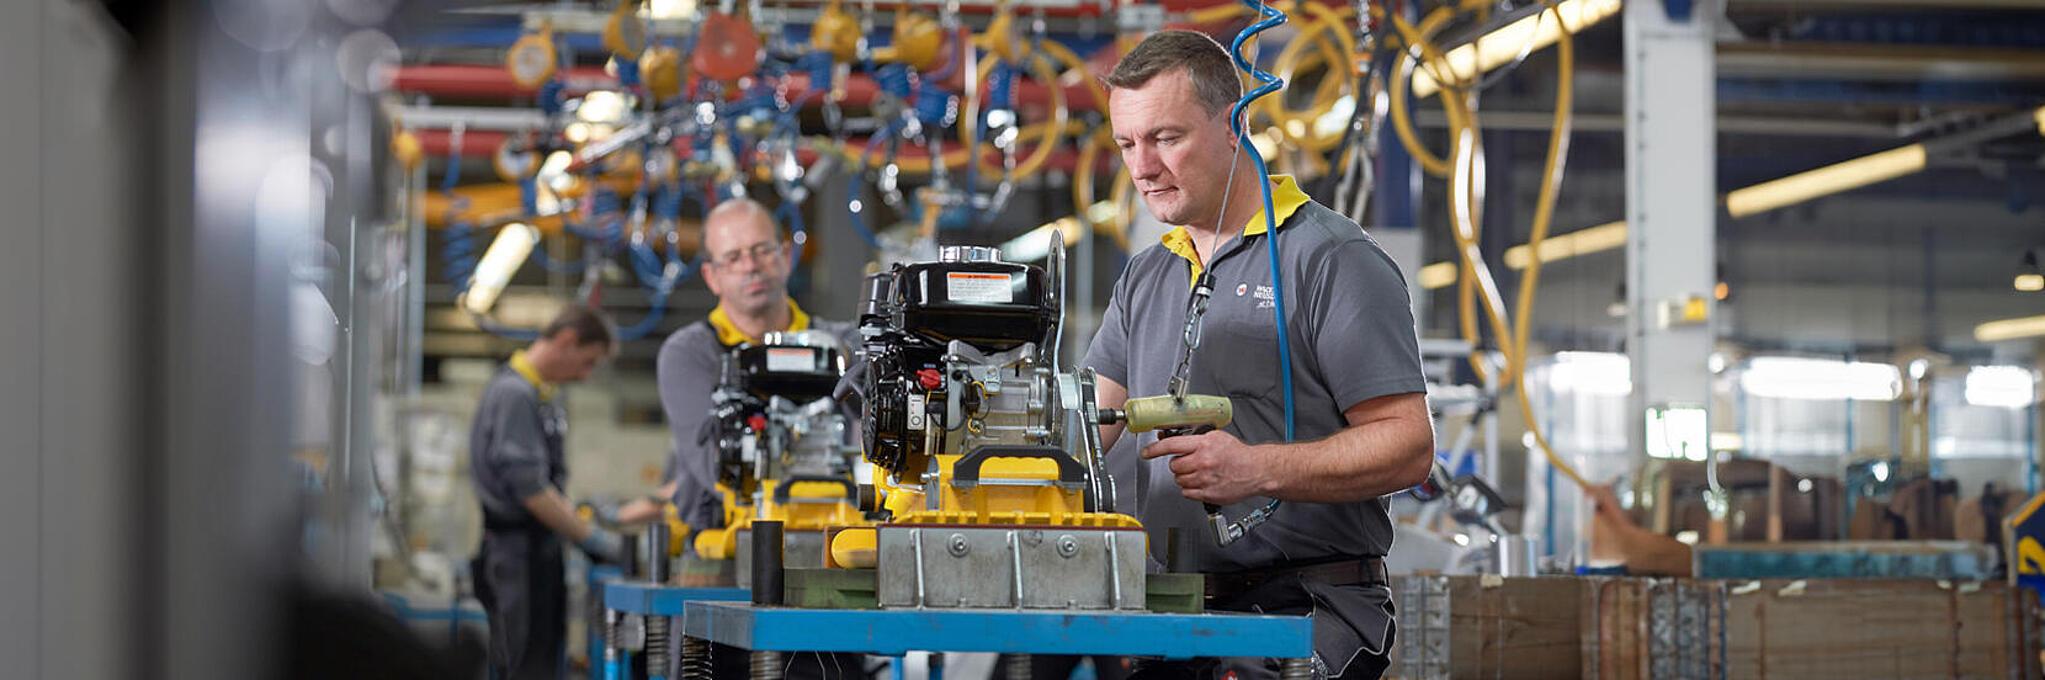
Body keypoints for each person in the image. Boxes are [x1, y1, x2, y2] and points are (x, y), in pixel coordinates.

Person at [1085, 30, 1436, 679]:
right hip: (1172, 609)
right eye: (1127, 144)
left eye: (1165, 138)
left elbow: (1407, 445)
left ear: (1234, 125)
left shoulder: (1329, 260)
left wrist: (1256, 470)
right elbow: (1084, 427)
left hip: (1305, 609)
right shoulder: (1147, 275)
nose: (1142, 168)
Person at [621, 197, 864, 680]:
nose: (751, 266)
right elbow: (716, 468)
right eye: (733, 257)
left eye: (761, 250)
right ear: (712, 276)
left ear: (786, 256)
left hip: (830, 566)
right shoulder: (691, 353)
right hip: (722, 571)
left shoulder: (842, 347)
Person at [469, 304, 628, 680]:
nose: (586, 375)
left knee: (542, 660)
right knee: (522, 664)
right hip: (514, 555)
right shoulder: (514, 393)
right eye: (587, 362)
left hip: (538, 553)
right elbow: (532, 491)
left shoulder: (543, 396)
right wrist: (595, 539)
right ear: (567, 340)